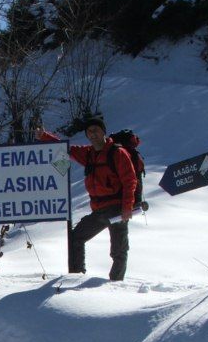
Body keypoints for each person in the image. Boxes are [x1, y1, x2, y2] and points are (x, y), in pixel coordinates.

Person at [36, 117, 138, 280]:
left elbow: (130, 180)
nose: (92, 134)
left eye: (95, 130)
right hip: (99, 210)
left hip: (117, 208)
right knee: (76, 238)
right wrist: (44, 137)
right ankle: (76, 277)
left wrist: (127, 207)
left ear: (103, 131)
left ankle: (116, 284)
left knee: (119, 250)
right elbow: (65, 148)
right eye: (89, 132)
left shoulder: (117, 153)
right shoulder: (88, 153)